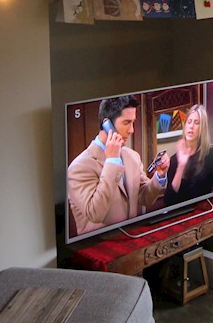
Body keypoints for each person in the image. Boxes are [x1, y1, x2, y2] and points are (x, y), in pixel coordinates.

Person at [67, 95, 167, 238]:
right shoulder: (79, 168)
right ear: (107, 124)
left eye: (133, 122)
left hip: (132, 240)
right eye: (126, 122)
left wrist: (160, 176)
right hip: (100, 246)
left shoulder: (132, 156)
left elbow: (145, 197)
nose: (132, 130)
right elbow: (95, 214)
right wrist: (112, 162)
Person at [162, 103, 213, 206]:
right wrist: (181, 166)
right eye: (189, 122)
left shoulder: (212, 154)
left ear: (202, 128)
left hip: (205, 210)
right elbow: (169, 201)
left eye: (196, 123)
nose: (191, 126)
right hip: (180, 213)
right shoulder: (174, 160)